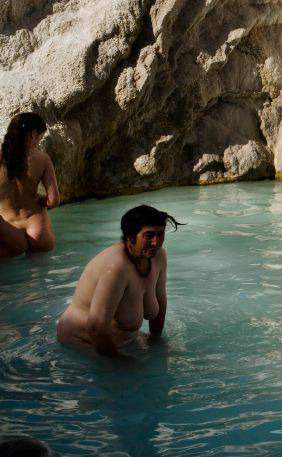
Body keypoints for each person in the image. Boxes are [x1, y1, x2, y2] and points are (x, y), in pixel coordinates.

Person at [57, 205, 181, 358]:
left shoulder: (159, 256)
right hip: (83, 343)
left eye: (160, 234)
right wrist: (122, 364)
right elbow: (96, 328)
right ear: (130, 238)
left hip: (123, 340)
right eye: (149, 236)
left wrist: (156, 341)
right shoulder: (116, 267)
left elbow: (160, 299)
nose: (156, 242)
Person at [0, 112, 60, 258]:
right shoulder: (43, 159)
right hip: (37, 228)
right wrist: (40, 200)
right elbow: (53, 201)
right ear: (33, 134)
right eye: (40, 137)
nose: (39, 141)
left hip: (7, 229)